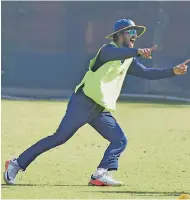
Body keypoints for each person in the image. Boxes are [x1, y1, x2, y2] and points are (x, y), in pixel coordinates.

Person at [4, 19, 189, 186]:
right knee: (59, 137)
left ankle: (100, 174)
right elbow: (117, 54)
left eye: (135, 34)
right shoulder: (107, 51)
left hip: (99, 108)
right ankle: (16, 163)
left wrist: (173, 71)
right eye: (130, 33)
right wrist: (138, 52)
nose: (134, 37)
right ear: (118, 35)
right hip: (83, 102)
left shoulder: (128, 58)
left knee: (119, 140)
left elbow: (148, 73)